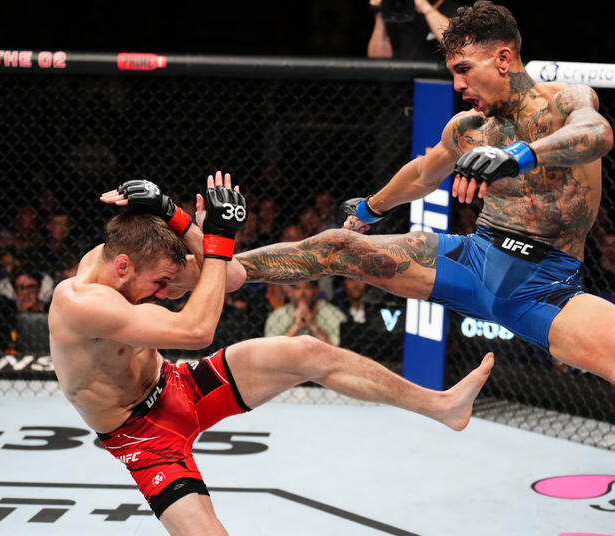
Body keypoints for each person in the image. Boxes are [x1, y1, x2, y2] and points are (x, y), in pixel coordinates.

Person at [233, 3, 615, 534]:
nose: (458, 84)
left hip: (544, 288)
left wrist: (520, 157)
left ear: (503, 58)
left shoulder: (564, 101)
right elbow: (421, 173)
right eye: (453, 72)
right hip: (475, 259)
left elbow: (597, 134)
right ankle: (220, 272)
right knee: (335, 245)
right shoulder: (469, 126)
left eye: (465, 70)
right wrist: (370, 209)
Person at [51, 173, 494, 535]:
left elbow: (232, 274)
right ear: (123, 265)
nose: (164, 293)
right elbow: (197, 329)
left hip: (180, 386)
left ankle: (441, 405)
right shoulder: (81, 302)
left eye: (168, 282)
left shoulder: (138, 262)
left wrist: (179, 217)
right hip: (142, 435)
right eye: (160, 284)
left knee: (307, 351)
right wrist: (217, 238)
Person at [367, 0, 458, 61]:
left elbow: (454, 43)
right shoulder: (397, 8)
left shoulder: (452, 9)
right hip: (399, 84)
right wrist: (380, 12)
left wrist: (424, 6)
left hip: (435, 83)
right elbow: (377, 58)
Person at [264, 280, 347, 346]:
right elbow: (271, 352)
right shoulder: (277, 315)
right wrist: (295, 326)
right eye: (297, 288)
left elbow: (338, 353)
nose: (302, 293)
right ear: (291, 292)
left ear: (317, 290)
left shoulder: (334, 314)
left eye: (307, 288)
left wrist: (313, 324)